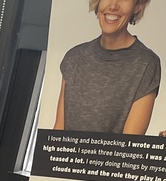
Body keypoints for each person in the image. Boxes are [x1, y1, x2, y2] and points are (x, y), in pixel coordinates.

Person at [54, 0, 160, 134]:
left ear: (137, 7)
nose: (113, 5)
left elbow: (129, 145)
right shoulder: (74, 57)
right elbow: (58, 132)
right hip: (67, 155)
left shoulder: (146, 63)